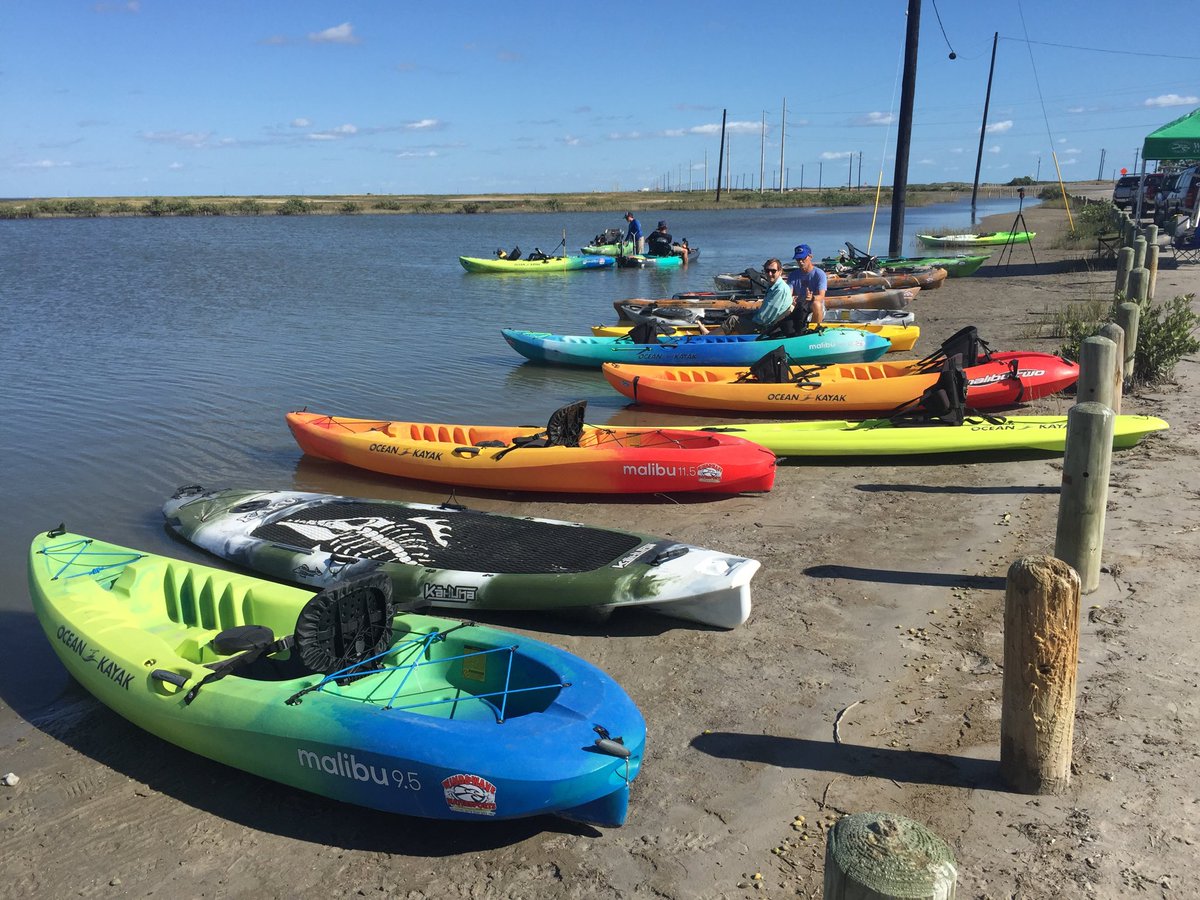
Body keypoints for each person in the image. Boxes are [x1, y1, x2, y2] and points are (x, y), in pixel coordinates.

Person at [720, 259, 793, 334]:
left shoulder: (780, 290)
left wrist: (749, 317)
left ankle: (709, 340)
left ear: (780, 271)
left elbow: (764, 318)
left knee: (733, 320)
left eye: (773, 271)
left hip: (766, 328)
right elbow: (765, 312)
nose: (770, 274)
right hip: (767, 323)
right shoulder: (773, 286)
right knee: (739, 315)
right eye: (767, 271)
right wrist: (748, 312)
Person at [782, 243, 826, 330]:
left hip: (813, 304)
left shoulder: (819, 274)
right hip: (800, 305)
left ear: (810, 257)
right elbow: (789, 293)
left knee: (816, 304)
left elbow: (821, 296)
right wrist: (790, 299)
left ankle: (814, 330)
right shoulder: (793, 275)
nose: (800, 261)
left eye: (803, 258)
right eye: (798, 259)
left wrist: (812, 297)